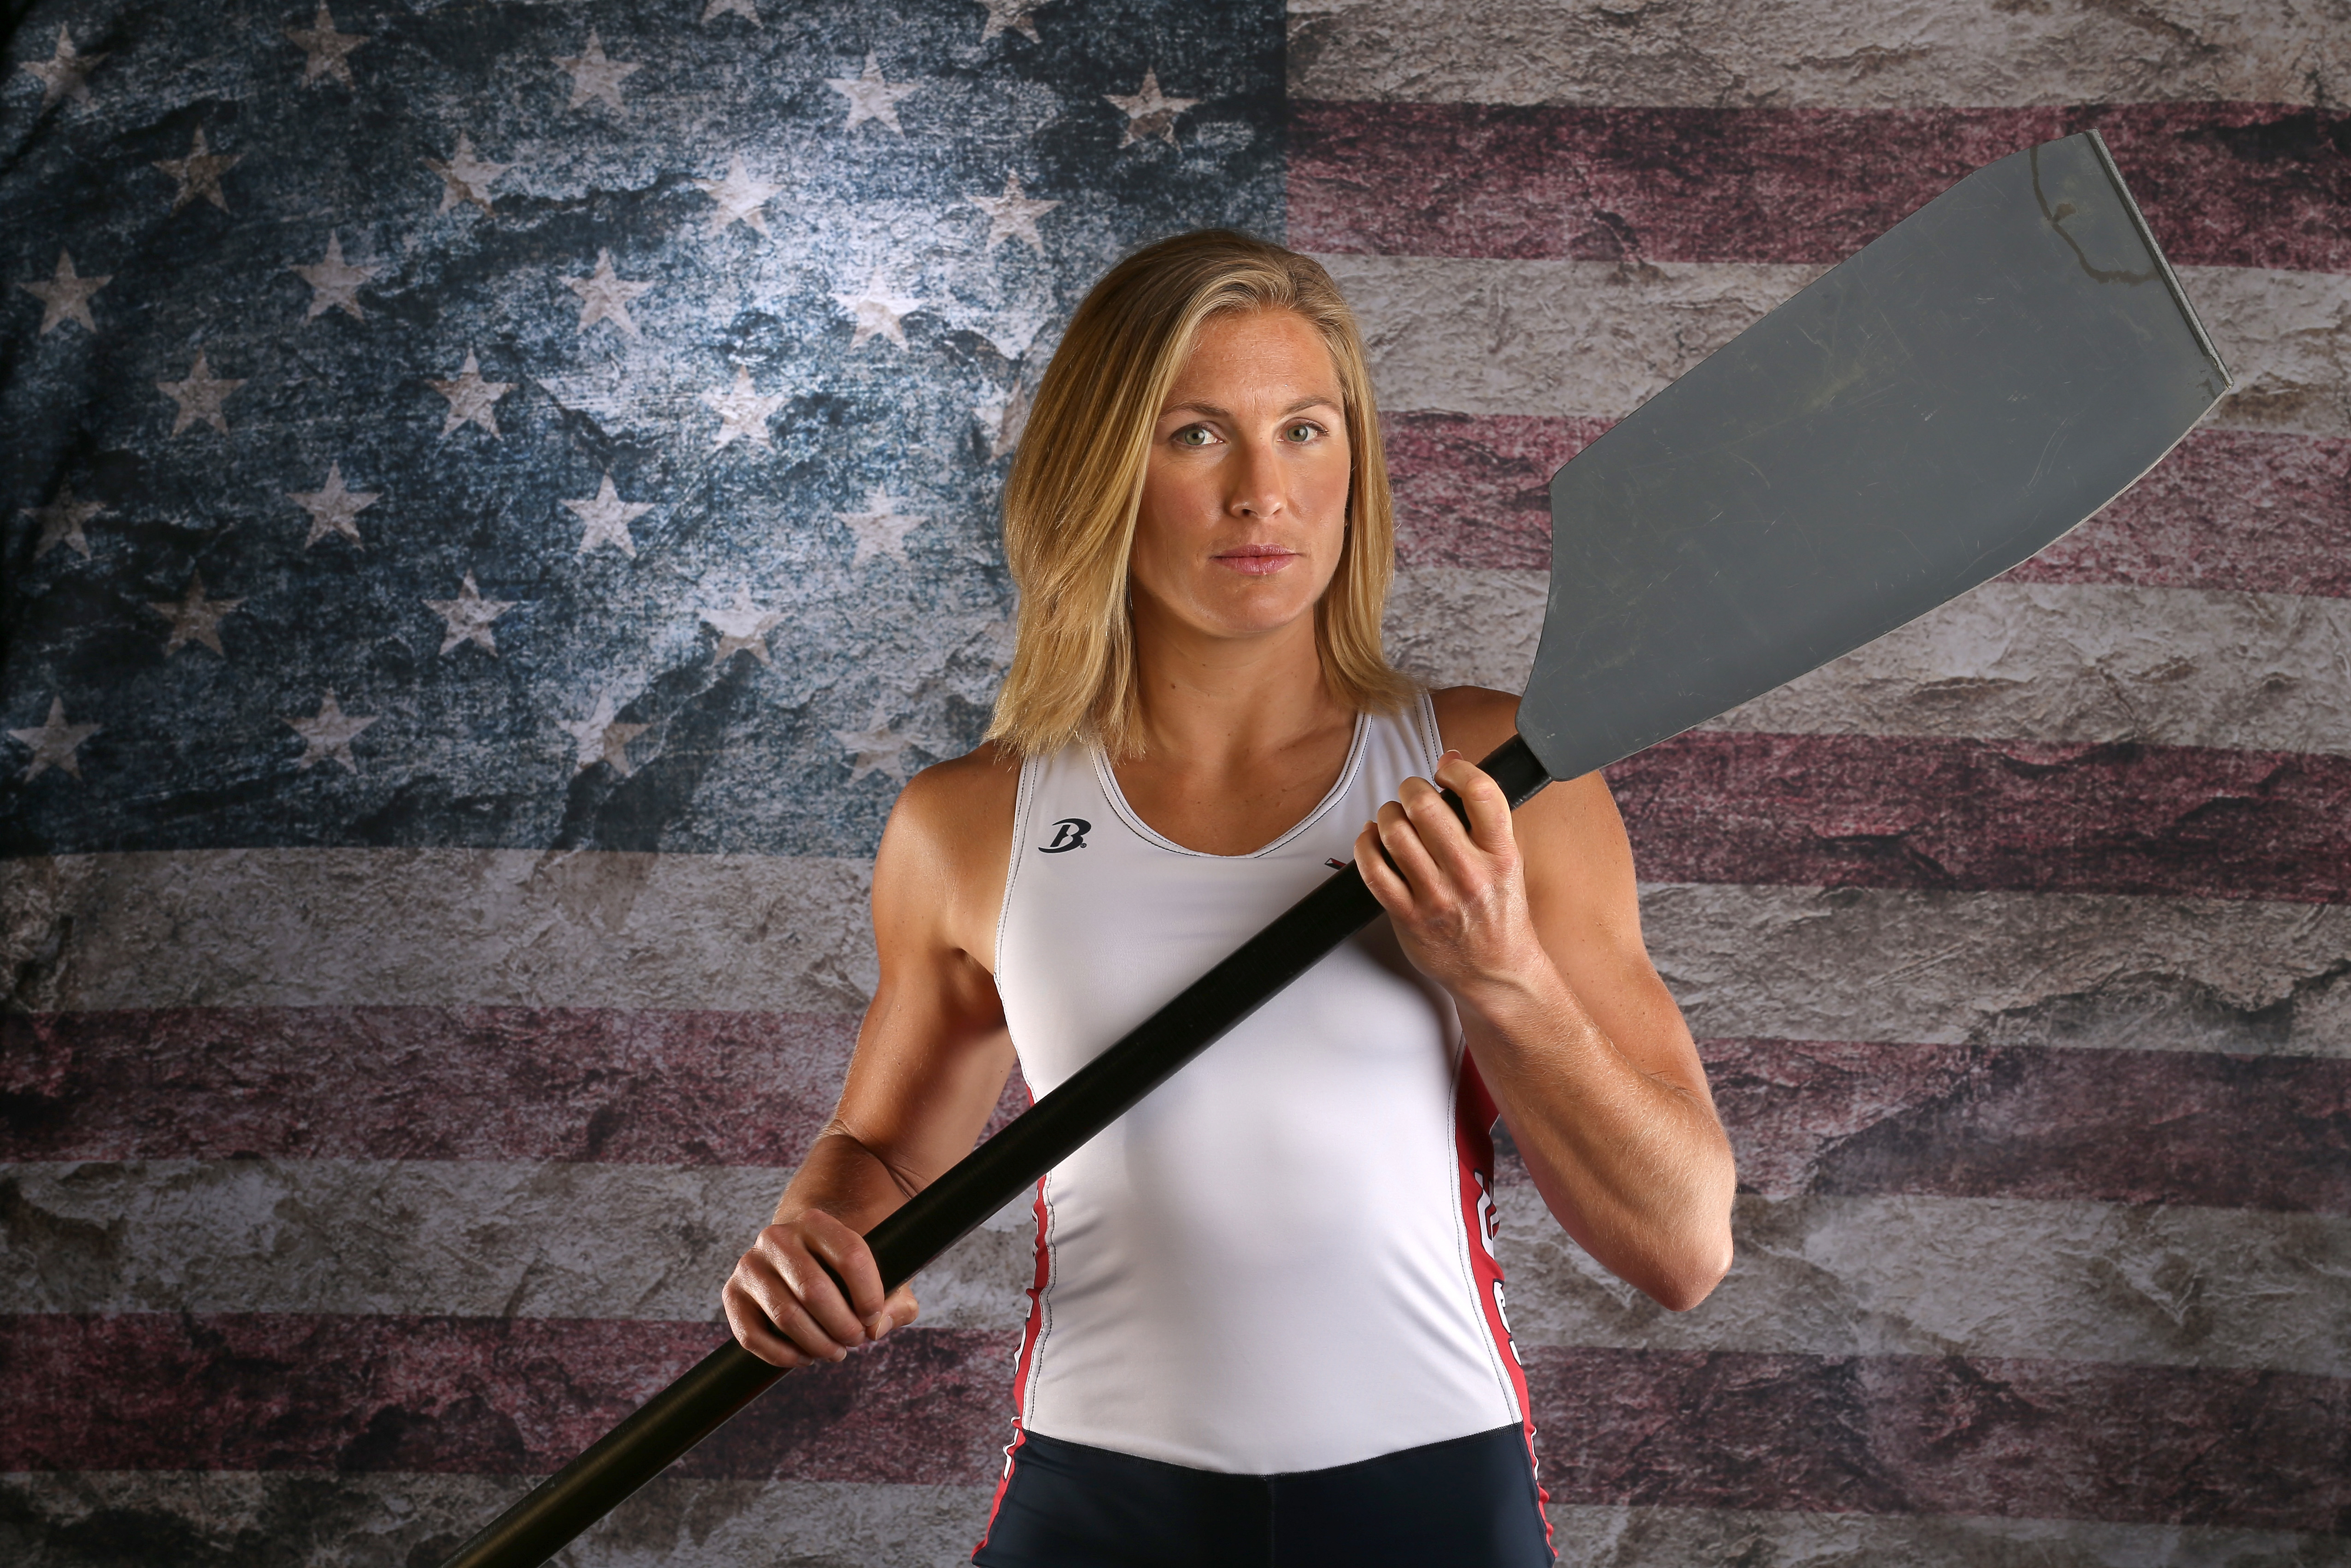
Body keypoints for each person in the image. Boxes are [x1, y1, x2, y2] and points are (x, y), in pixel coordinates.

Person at [725, 230, 1737, 1567]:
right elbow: (887, 1156)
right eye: (1196, 435)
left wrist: (1500, 973)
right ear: (1103, 473)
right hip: (1100, 1501)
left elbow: (1680, 1242)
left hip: (1426, 1500)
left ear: (1353, 470)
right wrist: (817, 1243)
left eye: (1305, 431)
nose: (1264, 491)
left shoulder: (1495, 771)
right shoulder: (969, 819)